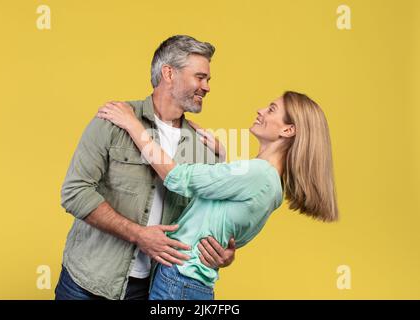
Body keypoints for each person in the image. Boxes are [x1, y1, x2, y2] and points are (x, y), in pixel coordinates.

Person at [96, 90, 340, 300]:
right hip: (190, 284)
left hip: (179, 280)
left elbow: (176, 178)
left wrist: (133, 125)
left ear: (288, 129)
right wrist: (222, 159)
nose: (261, 110)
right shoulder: (272, 184)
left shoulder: (257, 174)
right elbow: (221, 224)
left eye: (272, 109)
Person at [55, 35, 236, 300]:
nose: (206, 87)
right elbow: (74, 192)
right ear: (169, 73)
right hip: (87, 282)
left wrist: (223, 252)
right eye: (200, 77)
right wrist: (139, 235)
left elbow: (209, 220)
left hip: (152, 289)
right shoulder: (113, 119)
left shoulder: (204, 147)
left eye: (208, 80)